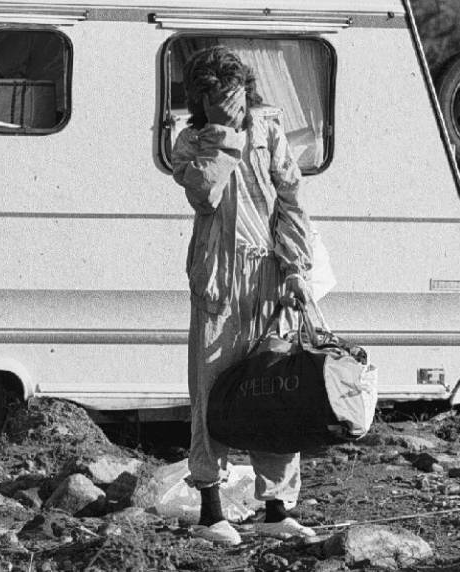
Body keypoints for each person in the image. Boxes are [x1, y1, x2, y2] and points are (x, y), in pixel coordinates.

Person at [171, 46, 317, 545]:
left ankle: (276, 506)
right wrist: (224, 135)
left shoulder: (270, 131)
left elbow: (291, 201)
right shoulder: (189, 141)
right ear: (200, 99)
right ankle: (212, 511)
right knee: (211, 392)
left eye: (230, 93)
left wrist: (297, 267)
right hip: (217, 278)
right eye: (212, 96)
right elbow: (206, 193)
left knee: (275, 386)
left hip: (268, 276)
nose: (226, 103)